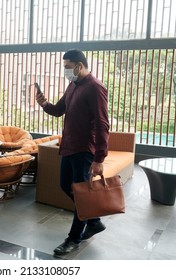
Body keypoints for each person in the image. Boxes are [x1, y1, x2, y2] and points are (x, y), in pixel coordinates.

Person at [36, 49, 110, 255]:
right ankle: (94, 220)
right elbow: (59, 110)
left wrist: (99, 158)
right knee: (64, 185)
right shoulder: (73, 85)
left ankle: (73, 239)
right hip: (69, 147)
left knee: (81, 193)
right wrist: (44, 104)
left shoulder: (96, 88)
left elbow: (103, 124)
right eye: (65, 67)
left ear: (79, 66)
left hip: (84, 150)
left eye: (68, 67)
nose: (66, 71)